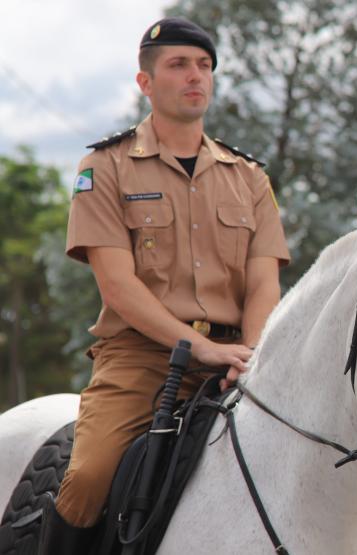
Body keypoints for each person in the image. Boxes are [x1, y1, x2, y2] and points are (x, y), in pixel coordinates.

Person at [41, 17, 290, 553]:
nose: (195, 76)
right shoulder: (104, 167)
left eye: (204, 66)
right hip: (141, 358)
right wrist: (200, 346)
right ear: (146, 83)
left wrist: (250, 355)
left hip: (237, 357)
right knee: (88, 477)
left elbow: (263, 284)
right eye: (178, 65)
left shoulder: (249, 178)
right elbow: (118, 287)